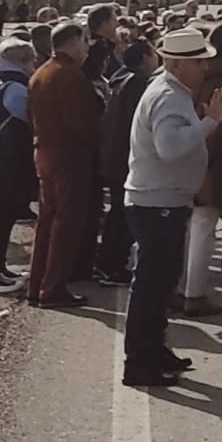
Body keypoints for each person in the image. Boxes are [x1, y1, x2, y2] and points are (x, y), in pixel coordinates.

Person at [120, 28, 222, 387]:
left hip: (162, 199)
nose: (204, 66)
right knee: (153, 286)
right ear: (181, 64)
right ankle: (140, 360)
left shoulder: (173, 92)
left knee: (161, 283)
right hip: (158, 202)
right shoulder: (169, 97)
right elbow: (169, 147)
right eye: (199, 60)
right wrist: (210, 122)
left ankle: (153, 350)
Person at [26, 21, 101, 306]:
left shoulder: (41, 73)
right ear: (73, 42)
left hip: (43, 149)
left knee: (47, 220)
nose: (86, 49)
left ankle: (38, 284)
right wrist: (97, 141)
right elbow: (81, 123)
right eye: (84, 42)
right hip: (68, 154)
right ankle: (54, 287)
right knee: (66, 222)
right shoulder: (70, 76)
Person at [181, 22, 222, 318]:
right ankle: (194, 294)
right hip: (216, 159)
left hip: (191, 151)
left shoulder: (198, 74)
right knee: (205, 226)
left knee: (188, 226)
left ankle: (180, 288)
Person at [0, 39, 39, 291]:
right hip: (9, 163)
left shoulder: (2, 82)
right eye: (31, 61)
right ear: (21, 61)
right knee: (4, 219)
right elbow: (28, 118)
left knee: (5, 219)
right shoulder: (17, 89)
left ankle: (0, 269)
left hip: (1, 160)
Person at [94, 42, 159, 283]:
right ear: (144, 57)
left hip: (114, 153)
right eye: (153, 54)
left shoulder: (121, 78)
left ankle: (107, 261)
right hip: (124, 156)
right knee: (122, 215)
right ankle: (112, 264)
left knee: (118, 214)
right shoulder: (137, 83)